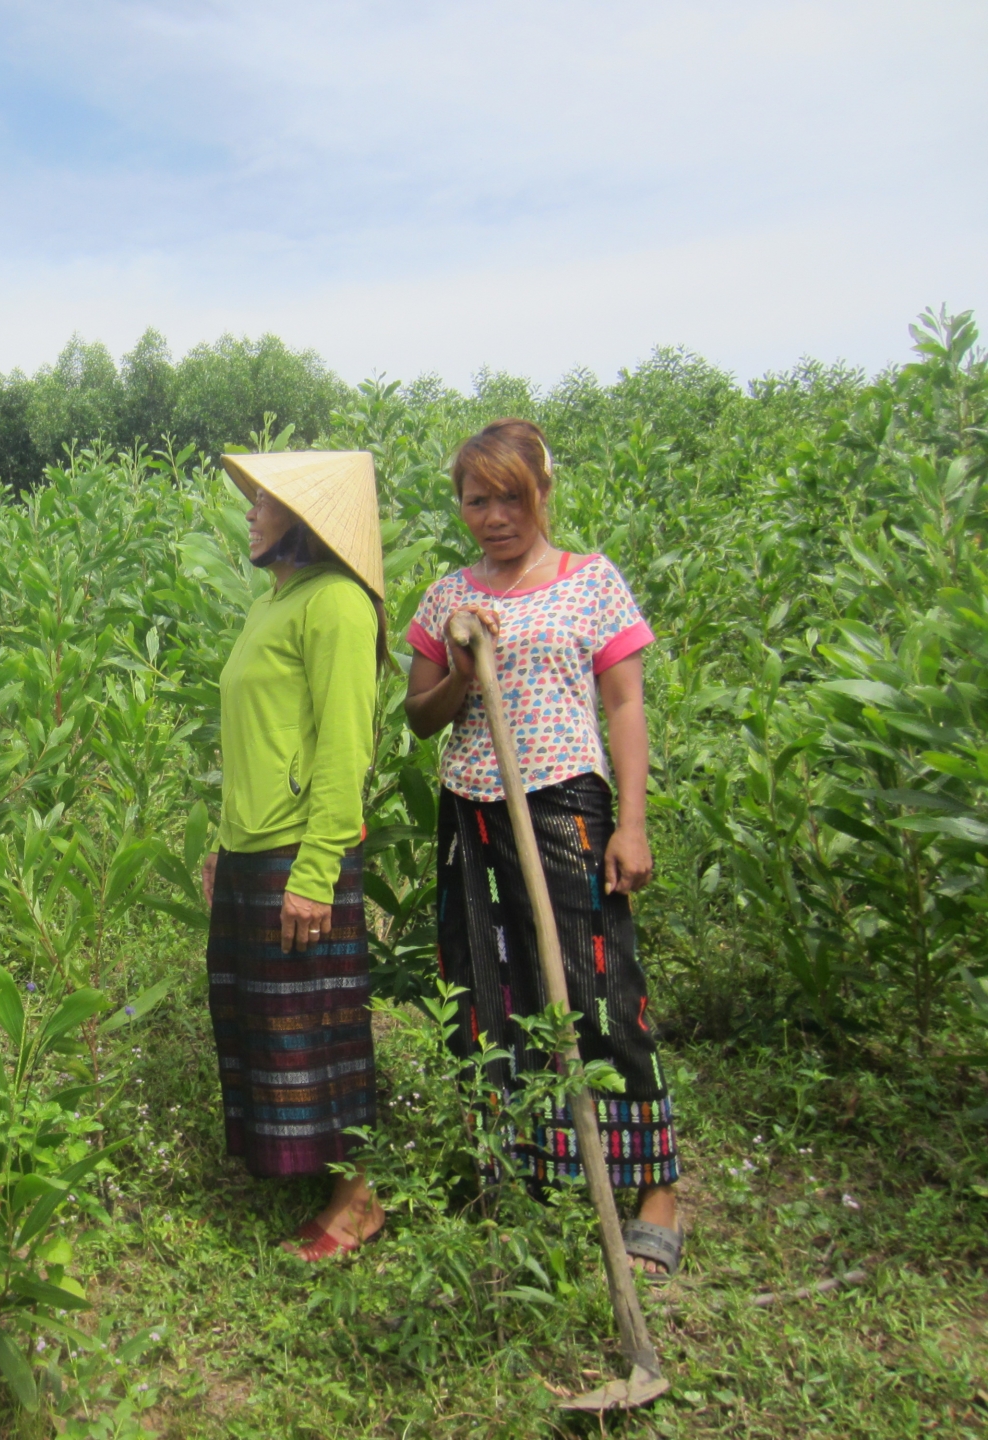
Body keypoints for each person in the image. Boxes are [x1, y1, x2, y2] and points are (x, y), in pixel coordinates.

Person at [402, 418, 684, 1276]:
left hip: (565, 802)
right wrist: (457, 660)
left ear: (542, 492)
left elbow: (625, 706)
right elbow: (420, 719)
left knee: (598, 985)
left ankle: (656, 1188)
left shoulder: (591, 582)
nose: (494, 516)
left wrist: (630, 823)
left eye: (510, 497)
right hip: (472, 811)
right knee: (486, 987)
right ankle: (515, 1173)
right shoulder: (448, 599)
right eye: (476, 499)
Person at [200, 451, 388, 1261]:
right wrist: (224, 844)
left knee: (320, 1025)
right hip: (254, 848)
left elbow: (346, 750)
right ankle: (311, 1174)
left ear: (305, 520)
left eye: (265, 502)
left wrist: (316, 874)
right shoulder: (272, 606)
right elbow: (257, 741)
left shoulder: (339, 604)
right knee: (271, 1023)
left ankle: (359, 1198)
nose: (250, 512)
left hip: (299, 852)